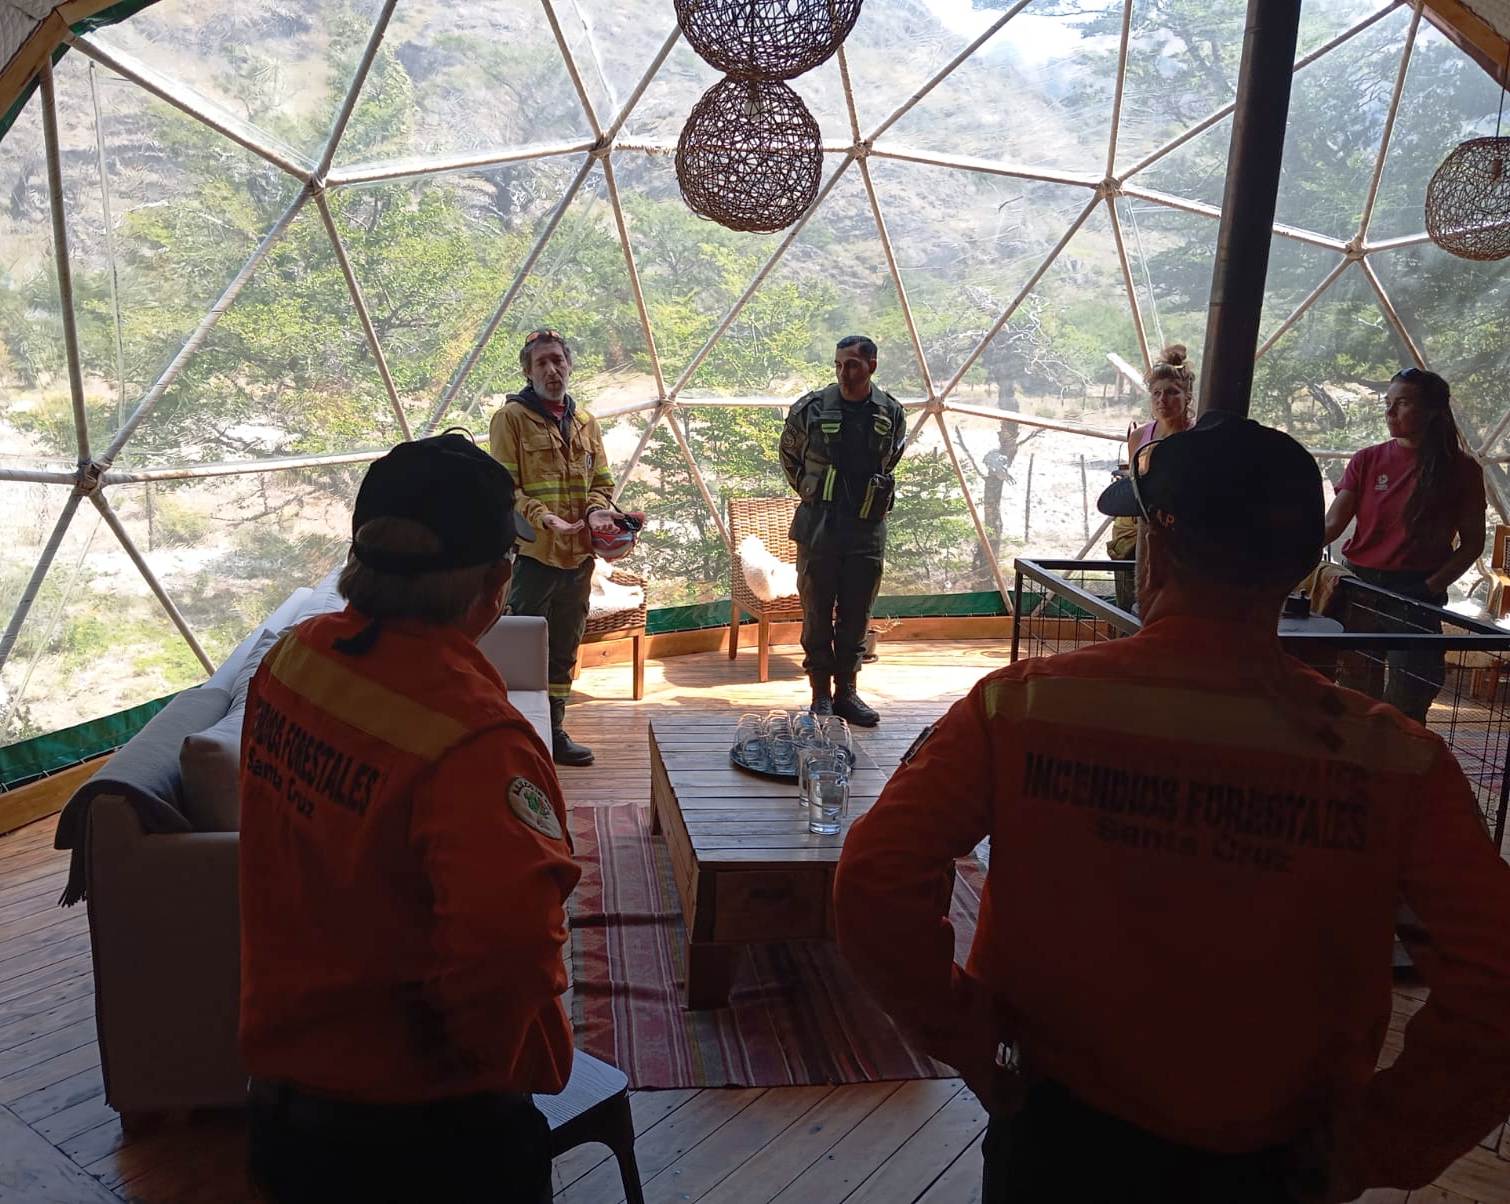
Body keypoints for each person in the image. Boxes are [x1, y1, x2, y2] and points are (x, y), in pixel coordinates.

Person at [835, 412, 1510, 1203]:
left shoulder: (1021, 708)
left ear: (1157, 549)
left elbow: (875, 877)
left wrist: (968, 1038)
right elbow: (1497, 975)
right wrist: (1380, 1142)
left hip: (1055, 1136)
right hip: (1277, 1159)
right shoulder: (1396, 759)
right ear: (1304, 566)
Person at [239, 433, 579, 1204]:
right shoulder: (477, 740)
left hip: (282, 1108)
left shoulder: (295, 659)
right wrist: (486, 1081)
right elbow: (512, 950)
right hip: (421, 1135)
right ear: (495, 581)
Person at [1323, 368, 1486, 722]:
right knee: (1354, 692)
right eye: (1388, 402)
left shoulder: (1462, 470)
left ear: (1432, 411)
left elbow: (1473, 543)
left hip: (1417, 594)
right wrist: (1285, 553)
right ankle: (1359, 753)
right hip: (1361, 588)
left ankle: (1400, 752)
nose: (1390, 412)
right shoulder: (1367, 459)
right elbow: (1332, 525)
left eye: (1403, 403)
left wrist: (1430, 587)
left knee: (1410, 695)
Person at [490, 328, 620, 766]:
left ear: (569, 365)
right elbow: (505, 488)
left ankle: (554, 730)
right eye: (542, 362)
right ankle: (516, 735)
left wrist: (597, 512)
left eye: (558, 360)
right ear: (527, 372)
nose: (552, 369)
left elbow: (601, 481)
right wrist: (543, 518)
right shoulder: (510, 419)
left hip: (578, 557)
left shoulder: (586, 422)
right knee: (522, 649)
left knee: (564, 647)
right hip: (534, 558)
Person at [779, 334, 907, 725]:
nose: (843, 372)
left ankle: (847, 693)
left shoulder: (890, 412)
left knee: (857, 613)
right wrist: (814, 491)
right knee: (817, 612)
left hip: (866, 529)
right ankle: (820, 694)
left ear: (872, 366)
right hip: (819, 527)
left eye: (852, 364)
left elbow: (892, 458)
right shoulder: (812, 409)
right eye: (838, 364)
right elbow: (789, 455)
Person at [1108, 344, 1195, 613]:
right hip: (1141, 525)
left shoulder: (1197, 436)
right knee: (1138, 595)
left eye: (1172, 392)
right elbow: (1135, 482)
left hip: (1183, 529)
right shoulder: (1140, 436)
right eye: (1156, 393)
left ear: (1187, 396)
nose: (1162, 400)